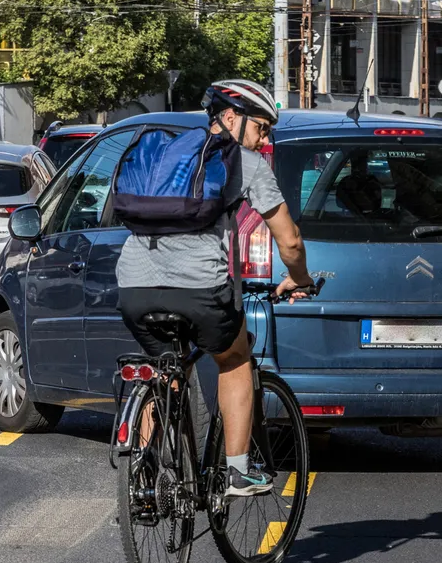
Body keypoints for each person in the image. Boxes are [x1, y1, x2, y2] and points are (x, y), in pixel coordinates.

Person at [115, 80, 313, 497]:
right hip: (200, 289)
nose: (264, 138)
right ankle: (239, 470)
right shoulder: (247, 163)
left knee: (163, 369)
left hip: (133, 285)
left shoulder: (166, 153)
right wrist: (299, 277)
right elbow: (289, 240)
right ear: (229, 118)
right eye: (260, 126)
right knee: (236, 358)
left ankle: (144, 477)